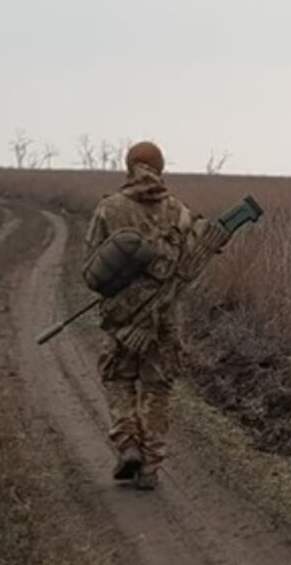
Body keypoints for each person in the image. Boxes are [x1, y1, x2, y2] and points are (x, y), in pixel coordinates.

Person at [86, 141, 207, 490]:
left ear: (128, 167)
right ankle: (151, 467)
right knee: (157, 389)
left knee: (118, 378)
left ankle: (128, 445)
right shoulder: (180, 212)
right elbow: (188, 269)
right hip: (164, 320)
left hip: (120, 318)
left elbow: (91, 268)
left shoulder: (108, 209)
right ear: (161, 168)